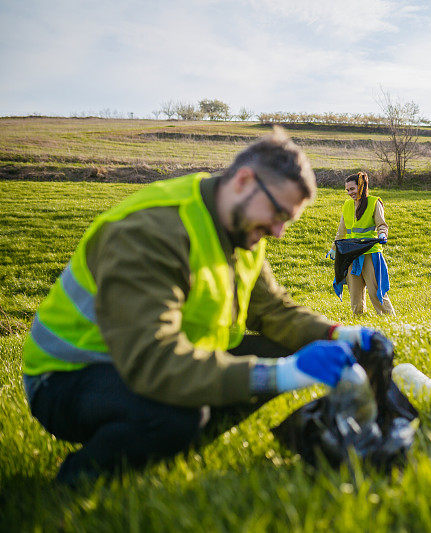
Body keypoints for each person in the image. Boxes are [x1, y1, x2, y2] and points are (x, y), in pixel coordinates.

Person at [21, 127, 380, 485]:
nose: (278, 231)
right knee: (177, 418)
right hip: (70, 374)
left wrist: (340, 334)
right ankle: (83, 479)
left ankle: (171, 447)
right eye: (277, 214)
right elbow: (153, 361)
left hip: (152, 356)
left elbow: (273, 311)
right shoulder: (152, 231)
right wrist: (280, 375)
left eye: (286, 220)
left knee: (281, 347)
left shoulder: (241, 228)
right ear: (243, 181)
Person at [327, 172, 395, 315]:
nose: (349, 193)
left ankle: (389, 318)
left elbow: (382, 224)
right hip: (351, 254)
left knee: (375, 290)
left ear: (361, 186)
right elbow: (341, 231)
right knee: (355, 293)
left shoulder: (374, 202)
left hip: (370, 252)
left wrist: (382, 234)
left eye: (352, 189)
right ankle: (358, 319)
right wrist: (334, 248)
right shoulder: (347, 205)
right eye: (347, 190)